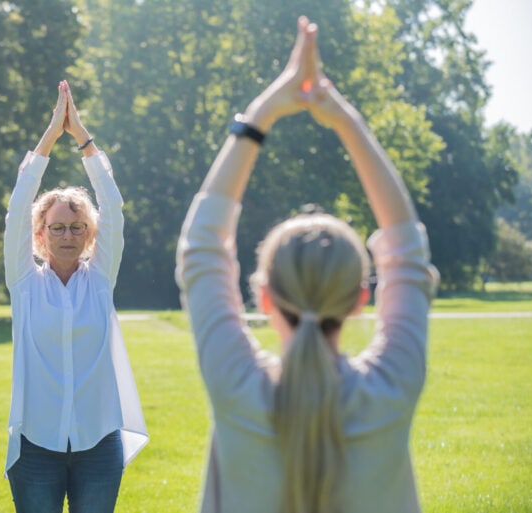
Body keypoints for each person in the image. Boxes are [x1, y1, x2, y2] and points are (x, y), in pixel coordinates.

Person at [175, 16, 439, 513]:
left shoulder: (237, 387)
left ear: (264, 296)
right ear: (362, 298)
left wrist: (264, 111)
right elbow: (407, 249)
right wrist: (343, 119)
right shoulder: (392, 387)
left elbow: (201, 246)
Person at [3, 80, 148, 513]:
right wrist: (50, 135)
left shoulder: (100, 280)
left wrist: (82, 136)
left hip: (98, 444)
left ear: (89, 234)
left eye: (76, 227)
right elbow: (16, 207)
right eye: (57, 227)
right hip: (36, 447)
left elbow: (114, 207)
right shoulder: (25, 284)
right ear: (41, 234)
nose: (67, 235)